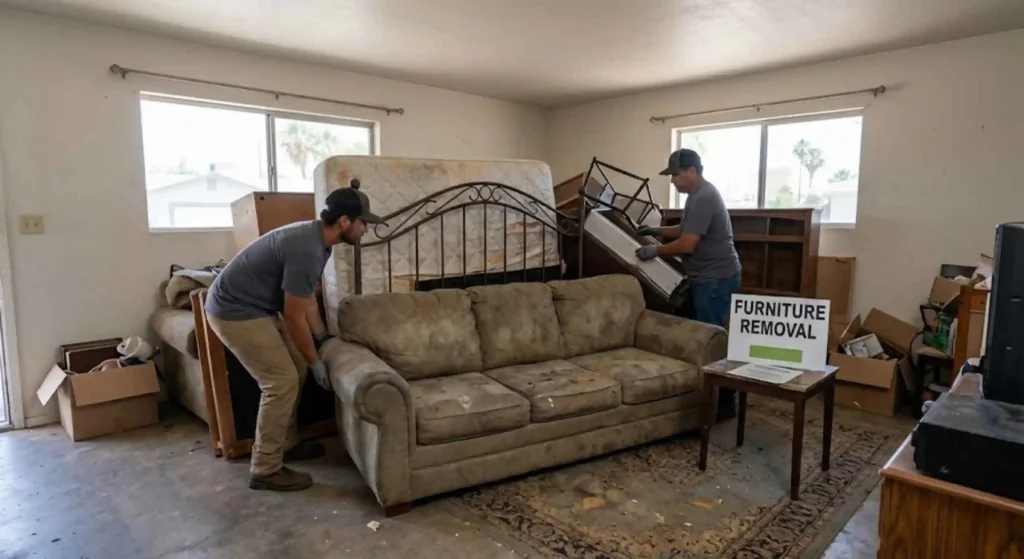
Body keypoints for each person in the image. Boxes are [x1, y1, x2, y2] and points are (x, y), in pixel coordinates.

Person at [205, 186, 380, 491]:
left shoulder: (319, 241)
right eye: (362, 222)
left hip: (257, 305)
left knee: (295, 368)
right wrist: (316, 362)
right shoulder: (307, 249)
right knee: (281, 381)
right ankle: (265, 468)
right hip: (234, 310)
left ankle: (286, 443)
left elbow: (305, 299)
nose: (366, 230)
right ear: (343, 222)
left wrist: (322, 338)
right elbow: (293, 315)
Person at [634, 148, 742, 419]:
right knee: (702, 334)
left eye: (676, 175)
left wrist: (655, 250)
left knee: (712, 338)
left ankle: (724, 403)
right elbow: (685, 230)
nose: (673, 181)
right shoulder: (696, 196)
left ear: (692, 171)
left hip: (715, 278)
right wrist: (656, 231)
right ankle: (710, 394)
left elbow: (688, 244)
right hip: (707, 277)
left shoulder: (704, 197)